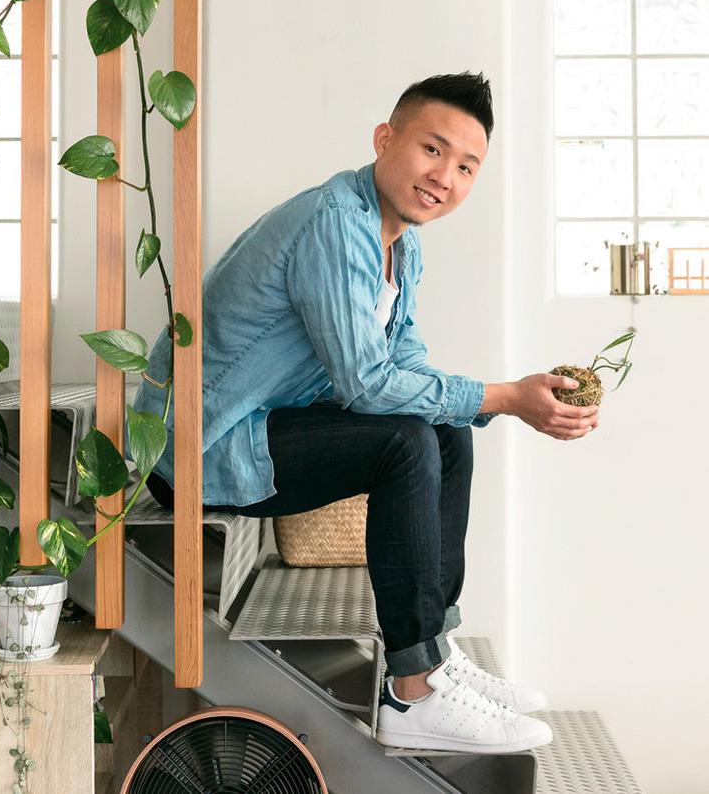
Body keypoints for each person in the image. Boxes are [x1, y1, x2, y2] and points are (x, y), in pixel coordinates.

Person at [134, 72, 596, 754]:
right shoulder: (336, 224)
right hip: (201, 448)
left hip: (264, 426)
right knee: (408, 441)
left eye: (467, 166)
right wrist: (504, 398)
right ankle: (413, 692)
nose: (445, 176)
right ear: (386, 139)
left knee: (443, 428)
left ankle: (433, 649)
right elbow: (367, 384)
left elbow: (406, 370)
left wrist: (503, 399)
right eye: (432, 150)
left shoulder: (401, 248)